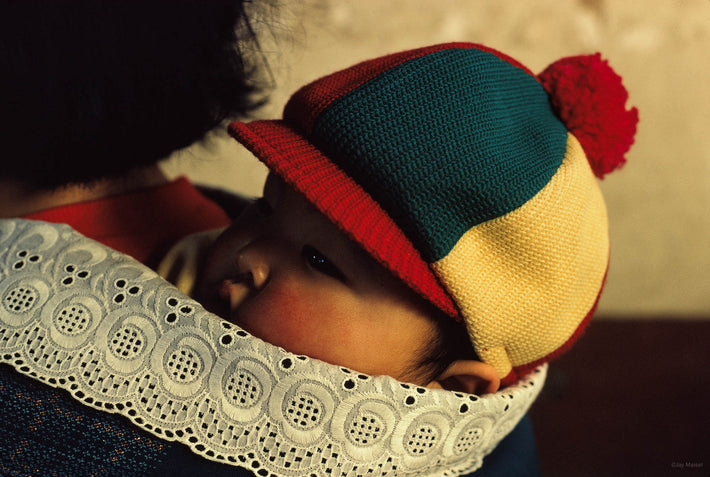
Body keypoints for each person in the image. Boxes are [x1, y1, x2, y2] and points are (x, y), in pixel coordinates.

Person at [158, 40, 638, 472]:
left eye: (318, 260)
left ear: (452, 392)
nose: (249, 254)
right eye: (265, 206)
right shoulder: (150, 303)